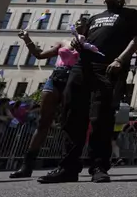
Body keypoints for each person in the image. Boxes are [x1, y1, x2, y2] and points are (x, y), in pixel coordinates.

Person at [38, 0, 137, 184]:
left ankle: (98, 166)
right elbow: (83, 40)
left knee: (101, 118)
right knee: (72, 116)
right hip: (82, 67)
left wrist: (120, 60)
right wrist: (79, 41)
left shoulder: (132, 15)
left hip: (108, 68)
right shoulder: (94, 18)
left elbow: (136, 40)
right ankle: (68, 167)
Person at [9, 18, 88, 178]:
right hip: (55, 79)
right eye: (79, 21)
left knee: (69, 125)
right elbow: (39, 55)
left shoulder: (91, 43)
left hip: (73, 82)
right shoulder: (64, 42)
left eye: (84, 22)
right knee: (43, 122)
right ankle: (27, 166)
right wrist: (27, 39)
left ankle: (67, 165)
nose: (80, 23)